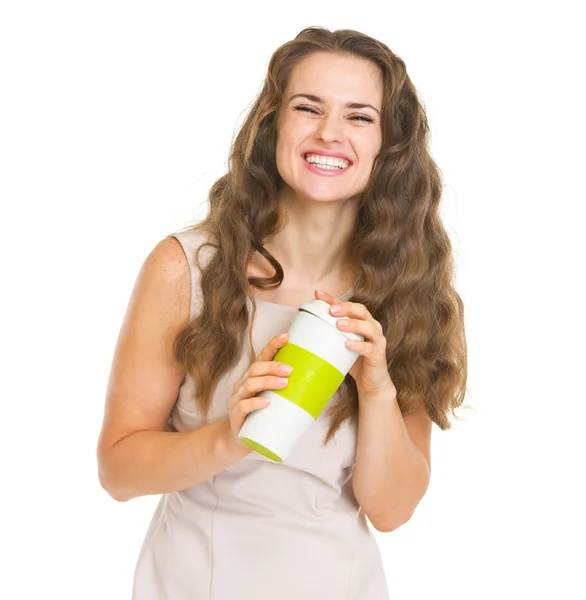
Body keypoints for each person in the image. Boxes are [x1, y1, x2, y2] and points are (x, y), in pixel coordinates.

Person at [97, 26, 467, 600]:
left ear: (389, 145)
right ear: (273, 123)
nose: (329, 133)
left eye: (359, 116)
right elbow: (118, 471)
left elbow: (391, 510)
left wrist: (377, 390)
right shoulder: (187, 269)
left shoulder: (408, 292)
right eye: (308, 107)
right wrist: (229, 438)